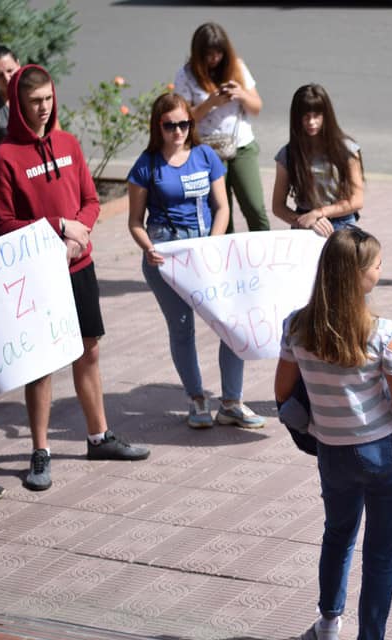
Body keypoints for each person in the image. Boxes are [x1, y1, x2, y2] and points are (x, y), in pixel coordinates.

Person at [0, 64, 150, 491]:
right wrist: (60, 226)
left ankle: (99, 436)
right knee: (41, 365)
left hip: (78, 265)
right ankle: (39, 452)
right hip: (37, 274)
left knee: (89, 351)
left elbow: (92, 201)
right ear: (18, 107)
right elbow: (4, 224)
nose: (44, 109)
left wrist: (78, 234)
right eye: (34, 103)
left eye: (48, 99)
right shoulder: (4, 158)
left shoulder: (69, 144)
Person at [274, 227, 392, 640]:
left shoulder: (297, 326)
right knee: (381, 554)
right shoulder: (385, 333)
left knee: (338, 534)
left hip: (332, 451)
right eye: (376, 265)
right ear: (358, 275)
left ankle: (328, 623)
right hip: (385, 450)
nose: (380, 270)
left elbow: (282, 392)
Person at [127, 92, 265, 430]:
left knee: (230, 321)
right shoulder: (146, 165)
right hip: (167, 253)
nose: (178, 132)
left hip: (205, 251)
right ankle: (196, 398)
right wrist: (148, 247)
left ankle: (232, 401)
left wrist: (214, 244)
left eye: (184, 124)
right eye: (170, 125)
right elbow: (134, 221)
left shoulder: (205, 156)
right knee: (182, 327)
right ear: (157, 127)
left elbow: (222, 207)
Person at [174, 22, 270, 235]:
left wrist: (242, 94)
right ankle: (227, 259)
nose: (214, 59)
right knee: (220, 211)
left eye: (219, 53)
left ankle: (265, 253)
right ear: (198, 54)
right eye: (208, 54)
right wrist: (211, 102)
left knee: (254, 206)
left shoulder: (236, 66)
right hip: (208, 150)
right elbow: (182, 119)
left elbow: (257, 107)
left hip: (241, 145)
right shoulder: (186, 75)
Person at [271, 84, 364, 236]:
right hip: (305, 224)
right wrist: (302, 220)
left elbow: (357, 200)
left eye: (316, 116)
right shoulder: (287, 155)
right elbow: (277, 207)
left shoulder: (347, 150)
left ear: (326, 116)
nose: (311, 122)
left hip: (341, 222)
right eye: (306, 117)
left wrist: (319, 213)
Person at [0, 45, 22, 240]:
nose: (7, 78)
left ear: (19, 64)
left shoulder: (36, 99)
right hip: (8, 189)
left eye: (10, 71)